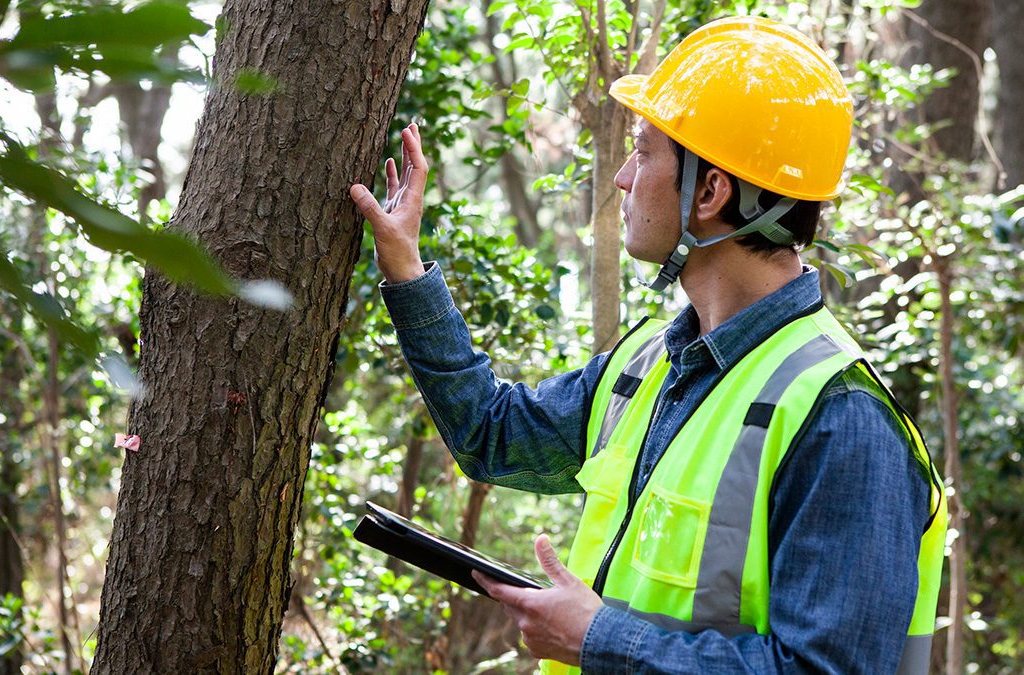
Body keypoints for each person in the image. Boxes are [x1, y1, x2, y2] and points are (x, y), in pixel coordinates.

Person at [349, 16, 946, 674]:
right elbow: (492, 433)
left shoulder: (840, 419)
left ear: (711, 191)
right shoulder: (652, 364)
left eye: (643, 151)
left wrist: (598, 638)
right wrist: (404, 265)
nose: (623, 178)